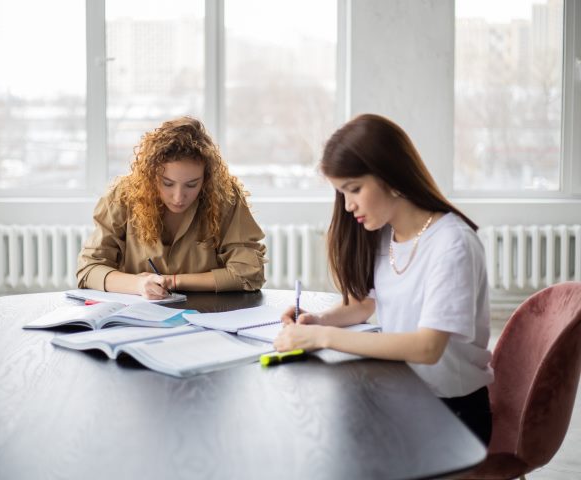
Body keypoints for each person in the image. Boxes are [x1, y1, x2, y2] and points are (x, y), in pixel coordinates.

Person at [274, 113, 494, 445]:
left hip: (453, 415)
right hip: (406, 394)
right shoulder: (386, 234)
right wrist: (318, 320)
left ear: (390, 176)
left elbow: (427, 347)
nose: (348, 206)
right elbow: (364, 306)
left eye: (354, 190)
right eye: (342, 194)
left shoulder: (453, 244)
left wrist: (322, 338)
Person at [77, 116, 266, 298]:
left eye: (192, 185)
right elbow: (89, 269)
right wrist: (138, 285)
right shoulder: (123, 196)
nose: (178, 197)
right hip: (136, 320)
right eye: (167, 183)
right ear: (151, 175)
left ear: (207, 179)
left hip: (208, 315)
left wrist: (173, 281)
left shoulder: (225, 196)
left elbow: (248, 273)